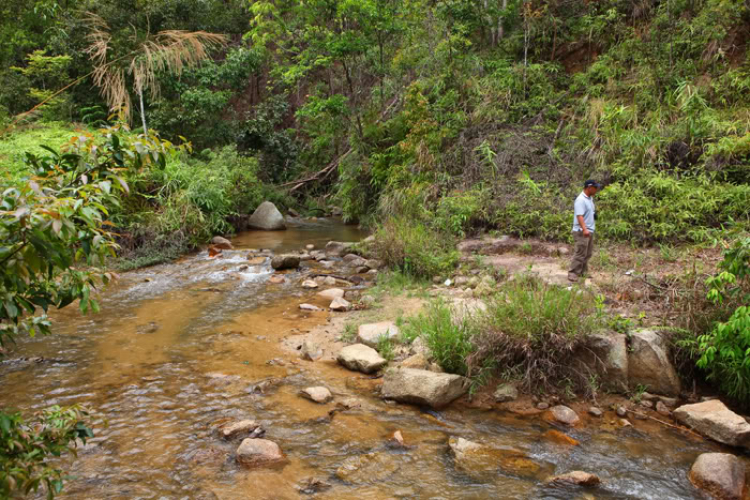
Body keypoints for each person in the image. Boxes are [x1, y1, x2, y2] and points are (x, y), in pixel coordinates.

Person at [568, 180, 601, 282]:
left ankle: (583, 272)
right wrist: (584, 229)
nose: (596, 190)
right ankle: (573, 273)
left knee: (588, 253)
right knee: (580, 253)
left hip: (589, 230)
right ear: (589, 187)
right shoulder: (581, 199)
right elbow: (579, 216)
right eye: (595, 188)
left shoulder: (589, 199)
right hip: (582, 231)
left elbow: (587, 212)